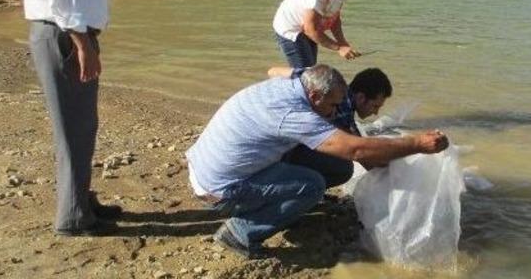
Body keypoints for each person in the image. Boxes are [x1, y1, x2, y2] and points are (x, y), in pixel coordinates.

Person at [185, 64, 448, 259]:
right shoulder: (295, 113)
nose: (334, 112)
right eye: (332, 105)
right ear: (315, 97)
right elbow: (356, 151)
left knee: (336, 168)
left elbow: (274, 70)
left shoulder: (297, 82)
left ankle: (287, 204)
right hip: (219, 191)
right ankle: (240, 232)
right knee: (312, 185)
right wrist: (417, 144)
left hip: (205, 166)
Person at [23, 0, 121, 236]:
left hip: (71, 35)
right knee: (73, 128)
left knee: (83, 124)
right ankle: (74, 218)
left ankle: (81, 199)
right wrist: (84, 45)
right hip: (65, 37)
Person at [268, 66, 393, 186]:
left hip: (270, 136)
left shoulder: (326, 81)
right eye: (375, 106)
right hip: (280, 150)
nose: (376, 112)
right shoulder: (343, 109)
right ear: (361, 97)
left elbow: (273, 71)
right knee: (343, 169)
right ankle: (295, 188)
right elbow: (358, 152)